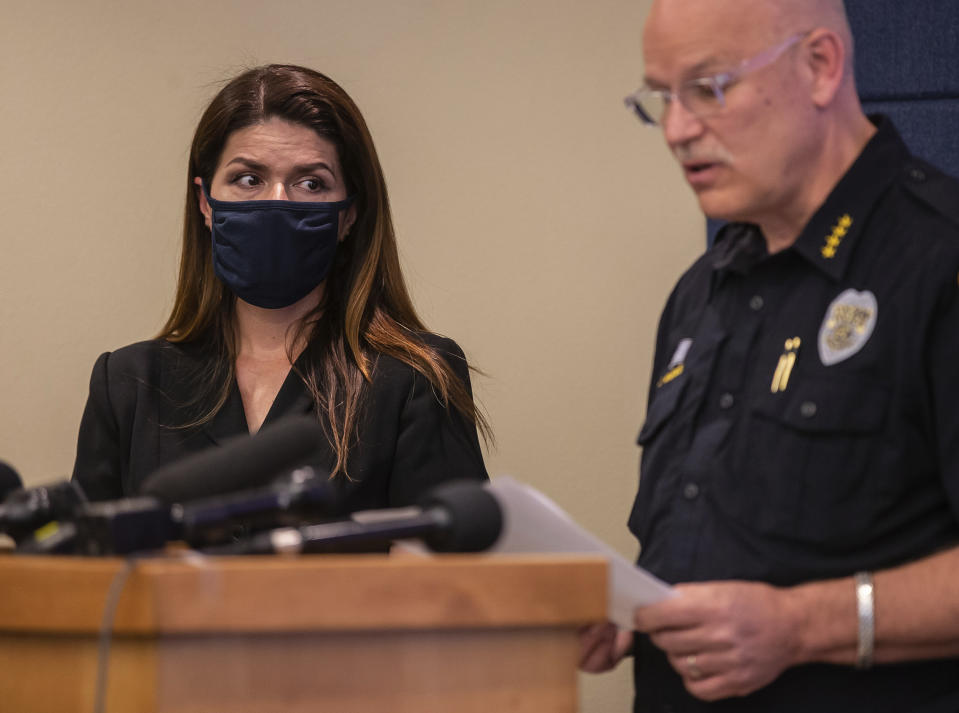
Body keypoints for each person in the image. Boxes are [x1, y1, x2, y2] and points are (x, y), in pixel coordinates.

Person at [580, 1, 959, 711]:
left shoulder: (938, 259)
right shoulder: (703, 289)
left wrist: (796, 626)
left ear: (819, 66)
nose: (676, 129)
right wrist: (640, 608)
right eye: (660, 98)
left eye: (708, 88)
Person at [72, 64, 489, 511]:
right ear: (204, 203)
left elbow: (454, 573)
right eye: (248, 179)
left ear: (349, 214)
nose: (277, 202)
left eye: (310, 183)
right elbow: (81, 572)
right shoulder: (128, 384)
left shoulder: (414, 380)